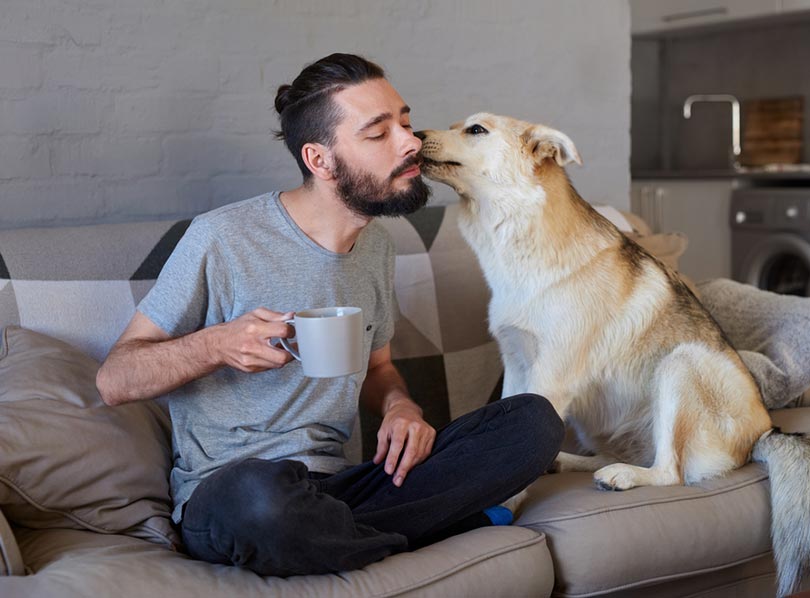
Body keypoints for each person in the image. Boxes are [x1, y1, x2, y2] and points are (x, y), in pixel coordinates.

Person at [96, 53, 563, 577]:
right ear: (320, 160)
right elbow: (115, 379)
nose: (411, 142)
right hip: (231, 490)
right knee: (261, 498)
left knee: (533, 421)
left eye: (405, 122)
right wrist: (215, 345)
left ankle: (351, 537)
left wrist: (400, 409)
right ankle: (438, 527)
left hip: (342, 484)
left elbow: (379, 368)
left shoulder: (376, 248)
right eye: (378, 133)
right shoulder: (221, 237)